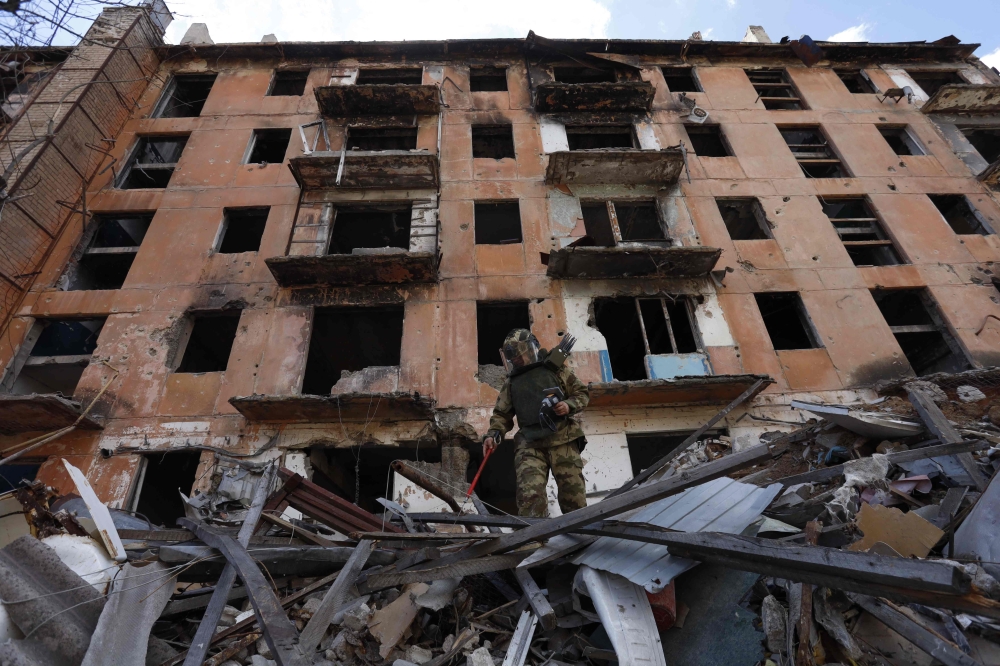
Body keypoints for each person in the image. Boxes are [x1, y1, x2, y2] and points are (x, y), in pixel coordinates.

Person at [482, 329, 589, 518]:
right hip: (529, 444)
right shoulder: (512, 383)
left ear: (529, 350)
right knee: (530, 497)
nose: (515, 361)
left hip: (562, 438)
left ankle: (581, 539)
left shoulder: (555, 368)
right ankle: (534, 542)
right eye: (512, 359)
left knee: (573, 497)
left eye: (518, 356)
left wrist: (568, 405)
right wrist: (493, 434)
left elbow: (581, 393)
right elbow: (501, 415)